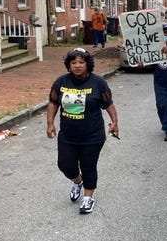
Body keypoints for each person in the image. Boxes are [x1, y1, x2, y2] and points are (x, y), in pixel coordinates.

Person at [46, 48, 119, 214]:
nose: (77, 66)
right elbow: (53, 102)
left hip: (93, 134)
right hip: (68, 134)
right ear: (69, 65)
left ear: (87, 64)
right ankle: (78, 181)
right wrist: (50, 123)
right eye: (73, 63)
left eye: (81, 62)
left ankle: (88, 197)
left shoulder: (98, 82)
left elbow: (108, 103)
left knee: (88, 165)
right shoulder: (61, 82)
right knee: (65, 165)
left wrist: (114, 121)